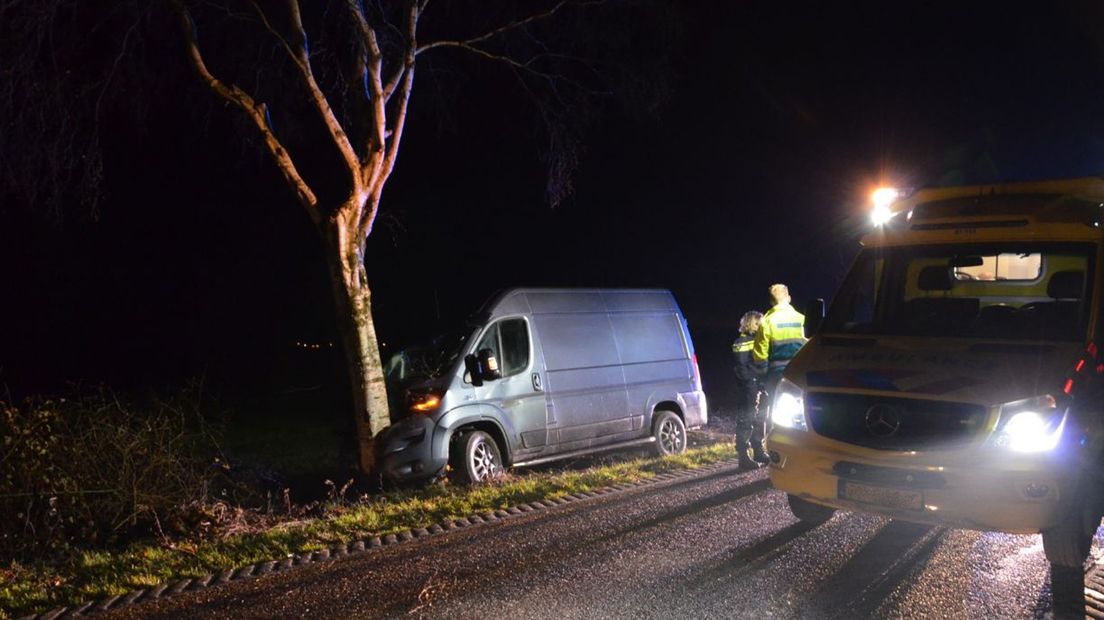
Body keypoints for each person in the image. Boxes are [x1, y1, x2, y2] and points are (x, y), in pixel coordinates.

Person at [753, 283, 807, 407]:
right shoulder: (802, 319)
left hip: (776, 376)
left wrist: (762, 379)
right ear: (789, 298)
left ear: (771, 301)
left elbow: (760, 355)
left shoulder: (767, 322)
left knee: (777, 409)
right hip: (800, 373)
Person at [732, 310, 766, 470]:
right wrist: (752, 383)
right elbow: (742, 368)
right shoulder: (742, 341)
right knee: (747, 419)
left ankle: (759, 450)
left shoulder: (759, 340)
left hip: (759, 385)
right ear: (751, 323)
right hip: (749, 387)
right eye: (758, 323)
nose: (761, 326)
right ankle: (743, 457)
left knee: (760, 418)